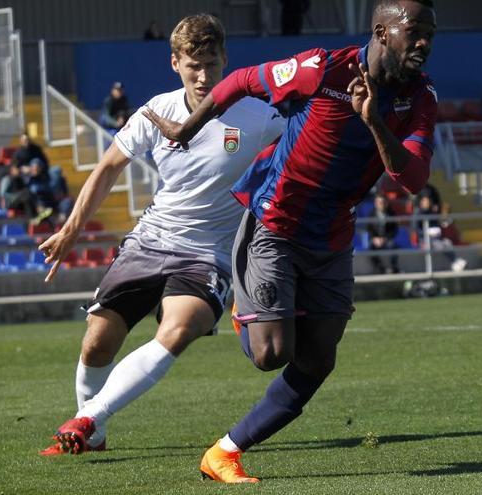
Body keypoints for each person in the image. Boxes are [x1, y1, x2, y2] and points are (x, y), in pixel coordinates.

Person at [143, 0, 437, 483]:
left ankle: (224, 452)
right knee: (270, 354)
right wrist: (186, 129)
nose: (424, 44)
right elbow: (240, 82)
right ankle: (244, 300)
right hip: (275, 224)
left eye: (430, 34)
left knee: (320, 357)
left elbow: (413, 179)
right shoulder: (321, 69)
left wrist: (375, 121)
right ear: (382, 33)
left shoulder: (420, 98)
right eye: (414, 33)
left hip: (333, 237)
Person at [37, 14, 285, 457]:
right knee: (97, 339)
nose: (204, 75)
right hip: (150, 240)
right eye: (194, 65)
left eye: (212, 63)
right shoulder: (157, 111)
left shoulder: (258, 115)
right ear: (176, 63)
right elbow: (109, 165)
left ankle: (88, 419)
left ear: (226, 59)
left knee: (179, 327)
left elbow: (306, 150)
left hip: (209, 254)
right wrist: (72, 229)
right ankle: (92, 437)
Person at [367, 194, 400, 274]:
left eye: (382, 202)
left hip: (387, 239)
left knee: (394, 246)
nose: (380, 204)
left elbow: (394, 230)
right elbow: (369, 229)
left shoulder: (392, 213)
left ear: (386, 203)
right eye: (378, 202)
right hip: (376, 240)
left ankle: (393, 268)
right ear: (375, 203)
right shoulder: (371, 214)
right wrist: (375, 238)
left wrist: (385, 238)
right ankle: (379, 269)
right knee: (370, 248)